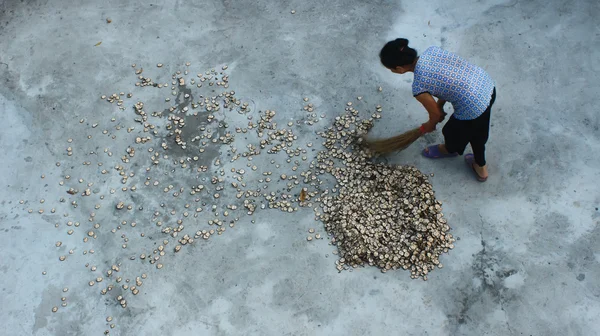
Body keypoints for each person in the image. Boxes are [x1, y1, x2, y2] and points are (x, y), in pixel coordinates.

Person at [379, 38, 496, 182]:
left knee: (452, 132)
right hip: (486, 86)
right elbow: (447, 81)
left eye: (391, 69)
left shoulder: (419, 86)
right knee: (477, 129)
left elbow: (435, 114)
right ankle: (480, 164)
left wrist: (430, 125)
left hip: (472, 105)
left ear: (399, 69)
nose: (392, 71)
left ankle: (450, 150)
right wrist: (440, 105)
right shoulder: (432, 51)